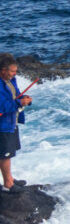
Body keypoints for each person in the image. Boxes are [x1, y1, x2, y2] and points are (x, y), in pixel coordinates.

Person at [0, 53, 32, 194]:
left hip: (11, 122)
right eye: (12, 71)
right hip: (3, 124)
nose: (14, 74)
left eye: (15, 71)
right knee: (4, 155)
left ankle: (9, 178)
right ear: (3, 70)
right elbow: (2, 106)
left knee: (8, 153)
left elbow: (17, 95)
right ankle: (8, 183)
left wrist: (24, 99)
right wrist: (19, 102)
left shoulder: (12, 81)